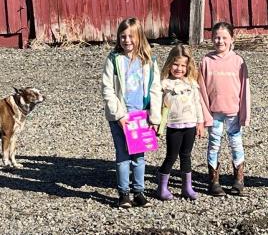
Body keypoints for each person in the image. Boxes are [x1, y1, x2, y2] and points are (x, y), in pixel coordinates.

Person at [101, 17, 162, 208]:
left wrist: (154, 116)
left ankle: (139, 192)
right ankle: (123, 193)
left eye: (131, 36)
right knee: (122, 155)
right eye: (123, 36)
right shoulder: (113, 59)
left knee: (139, 156)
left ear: (139, 37)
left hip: (140, 116)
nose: (127, 40)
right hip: (120, 117)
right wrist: (118, 114)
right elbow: (107, 89)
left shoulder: (149, 61)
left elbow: (155, 88)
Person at [198, 22, 251, 196]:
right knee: (214, 144)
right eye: (217, 37)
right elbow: (201, 91)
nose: (220, 41)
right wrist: (205, 115)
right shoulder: (206, 61)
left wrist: (245, 114)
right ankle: (213, 180)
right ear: (212, 39)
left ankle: (238, 179)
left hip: (233, 113)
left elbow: (245, 90)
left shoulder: (238, 61)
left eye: (224, 38)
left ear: (231, 39)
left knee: (236, 144)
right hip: (215, 114)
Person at [156, 44, 204, 201]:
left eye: (183, 65)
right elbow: (156, 103)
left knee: (186, 155)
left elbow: (198, 103)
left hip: (190, 125)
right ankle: (162, 187)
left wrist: (200, 122)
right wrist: (155, 121)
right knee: (171, 155)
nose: (179, 68)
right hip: (173, 126)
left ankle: (187, 187)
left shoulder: (191, 83)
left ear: (188, 66)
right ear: (169, 64)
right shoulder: (164, 84)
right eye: (176, 64)